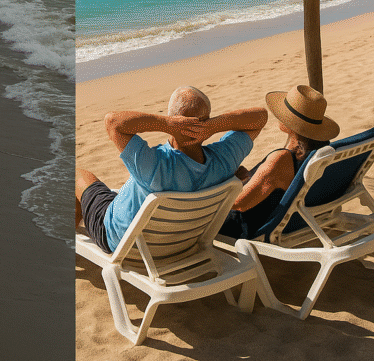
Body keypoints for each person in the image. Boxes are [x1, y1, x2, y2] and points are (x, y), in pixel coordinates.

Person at [75, 87, 267, 254]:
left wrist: (166, 124)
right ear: (206, 120)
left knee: (77, 176)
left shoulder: (154, 164)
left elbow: (112, 122)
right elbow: (261, 117)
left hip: (123, 240)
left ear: (174, 120)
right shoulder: (225, 159)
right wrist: (213, 126)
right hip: (182, 241)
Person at [219, 85, 340, 239]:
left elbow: (239, 204)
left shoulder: (281, 160)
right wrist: (249, 177)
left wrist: (225, 184)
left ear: (292, 123)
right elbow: (274, 184)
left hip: (242, 225)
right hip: (299, 217)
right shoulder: (320, 153)